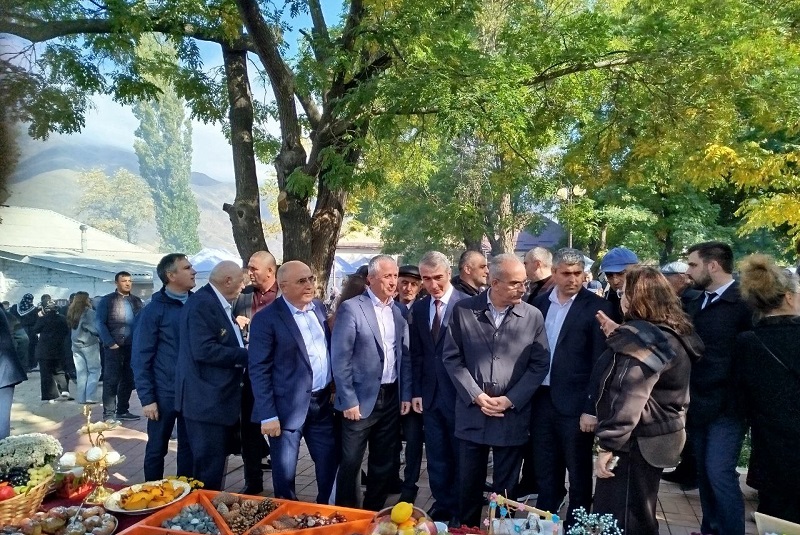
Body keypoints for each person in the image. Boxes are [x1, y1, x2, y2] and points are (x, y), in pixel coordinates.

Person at [593, 266, 703, 535]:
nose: (620, 298)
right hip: (658, 434)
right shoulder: (670, 331)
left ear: (635, 298)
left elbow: (630, 394)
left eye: (624, 293)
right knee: (639, 511)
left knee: (623, 518)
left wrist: (607, 445)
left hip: (637, 441)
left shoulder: (646, 339)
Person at [442, 253, 550, 528]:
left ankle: (501, 530)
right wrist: (476, 395)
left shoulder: (532, 316)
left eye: (524, 283)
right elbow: (452, 358)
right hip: (472, 412)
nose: (522, 288)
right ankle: (465, 530)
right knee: (467, 485)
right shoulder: (464, 310)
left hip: (511, 415)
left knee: (505, 491)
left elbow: (539, 364)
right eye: (515, 283)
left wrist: (511, 400)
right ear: (494, 282)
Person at [530, 248, 613, 525]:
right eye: (566, 273)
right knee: (545, 466)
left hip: (576, 403)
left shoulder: (597, 307)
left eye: (578, 273)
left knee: (578, 470)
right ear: (554, 273)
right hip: (541, 398)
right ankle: (545, 522)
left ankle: (577, 525)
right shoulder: (539, 304)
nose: (573, 279)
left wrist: (591, 407)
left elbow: (601, 363)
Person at [248, 260, 339, 503]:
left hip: (320, 404)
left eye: (311, 279)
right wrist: (267, 414)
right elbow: (259, 369)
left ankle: (327, 511)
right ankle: (286, 513)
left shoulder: (318, 308)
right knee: (285, 471)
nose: (309, 285)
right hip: (285, 409)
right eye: (301, 281)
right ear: (283, 286)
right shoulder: (267, 319)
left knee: (329, 462)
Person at [332, 255, 412, 510]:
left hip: (391, 396)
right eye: (387, 276)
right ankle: (347, 514)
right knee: (351, 462)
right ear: (371, 279)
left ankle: (373, 512)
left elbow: (404, 356)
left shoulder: (399, 311)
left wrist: (405, 395)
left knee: (383, 460)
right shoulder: (352, 308)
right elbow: (340, 357)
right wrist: (348, 399)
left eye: (395, 276)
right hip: (360, 399)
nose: (393, 282)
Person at [684, 241, 752, 535]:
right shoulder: (696, 301)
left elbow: (750, 356)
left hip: (728, 405)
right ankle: (710, 529)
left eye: (693, 264)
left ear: (712, 265)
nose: (688, 271)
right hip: (699, 401)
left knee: (718, 471)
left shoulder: (745, 304)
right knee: (705, 472)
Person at [734, 255, 800, 523]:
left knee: (777, 517)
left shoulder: (747, 341)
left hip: (770, 444)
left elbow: (741, 397)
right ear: (789, 297)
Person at [175, 260, 248, 490]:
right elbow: (204, 350)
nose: (243, 287)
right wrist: (245, 354)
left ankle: (204, 505)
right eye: (240, 282)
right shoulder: (203, 304)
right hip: (205, 400)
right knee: (207, 468)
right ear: (227, 281)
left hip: (212, 399)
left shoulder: (215, 301)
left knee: (210, 465)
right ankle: (203, 507)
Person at [409, 251, 469, 524]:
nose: (432, 284)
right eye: (426, 279)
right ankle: (442, 503)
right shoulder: (420, 308)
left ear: (449, 273)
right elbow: (417, 353)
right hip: (430, 395)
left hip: (459, 395)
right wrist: (416, 391)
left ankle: (460, 508)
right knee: (436, 455)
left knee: (460, 455)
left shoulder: (467, 304)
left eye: (438, 277)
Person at [132, 253, 196, 481]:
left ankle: (187, 493)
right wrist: (147, 398)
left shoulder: (198, 305)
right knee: (157, 448)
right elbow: (140, 357)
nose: (193, 271)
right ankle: (152, 492)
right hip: (163, 393)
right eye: (187, 268)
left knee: (189, 449)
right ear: (171, 275)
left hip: (192, 392)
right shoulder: (153, 311)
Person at [232, 250, 278, 493]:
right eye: (248, 267)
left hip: (279, 374)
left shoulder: (284, 295)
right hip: (250, 373)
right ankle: (253, 482)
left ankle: (283, 482)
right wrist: (235, 322)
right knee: (249, 431)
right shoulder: (244, 296)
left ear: (270, 271)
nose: (249, 272)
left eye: (254, 268)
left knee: (280, 432)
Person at [659, 260, 701, 491]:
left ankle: (691, 471)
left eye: (668, 278)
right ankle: (685, 469)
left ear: (681, 278)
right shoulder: (682, 298)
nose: (665, 282)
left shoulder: (692, 298)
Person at [95, 271, 144, 422]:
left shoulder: (136, 301)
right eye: (124, 281)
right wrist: (110, 342)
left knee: (128, 379)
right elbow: (99, 322)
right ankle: (109, 414)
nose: (127, 283)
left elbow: (142, 322)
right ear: (116, 283)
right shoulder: (107, 300)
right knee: (111, 380)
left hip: (132, 346)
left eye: (129, 281)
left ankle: (122, 410)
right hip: (114, 347)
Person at [66, 292, 101, 404]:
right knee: (94, 370)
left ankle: (81, 397)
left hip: (75, 345)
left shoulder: (71, 312)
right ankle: (90, 396)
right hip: (89, 344)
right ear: (85, 300)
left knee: (81, 372)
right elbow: (95, 329)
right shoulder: (88, 312)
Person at [34, 299, 71, 402]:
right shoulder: (62, 319)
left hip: (44, 350)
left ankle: (50, 396)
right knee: (60, 370)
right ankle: (64, 390)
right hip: (59, 349)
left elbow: (35, 330)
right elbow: (67, 331)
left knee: (46, 374)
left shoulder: (42, 319)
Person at [0, 311, 27, 439]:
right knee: (2, 420)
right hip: (5, 371)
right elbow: (23, 339)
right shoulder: (6, 315)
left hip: (5, 370)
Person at [598, 247, 639, 323]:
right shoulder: (607, 303)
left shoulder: (653, 298)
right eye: (609, 275)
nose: (615, 281)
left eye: (621, 273)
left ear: (636, 270)